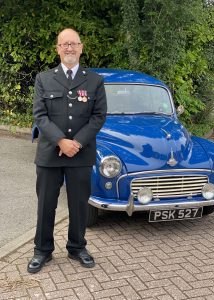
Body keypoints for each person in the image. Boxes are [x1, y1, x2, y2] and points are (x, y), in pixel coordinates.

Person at [27, 28, 107, 273]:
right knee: (46, 204)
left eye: (74, 44)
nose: (69, 48)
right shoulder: (44, 79)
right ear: (58, 49)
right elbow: (40, 116)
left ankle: (77, 247)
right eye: (65, 44)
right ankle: (42, 250)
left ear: (81, 48)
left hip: (81, 154)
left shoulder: (94, 80)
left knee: (80, 204)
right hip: (50, 153)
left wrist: (77, 143)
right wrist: (61, 141)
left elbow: (98, 116)